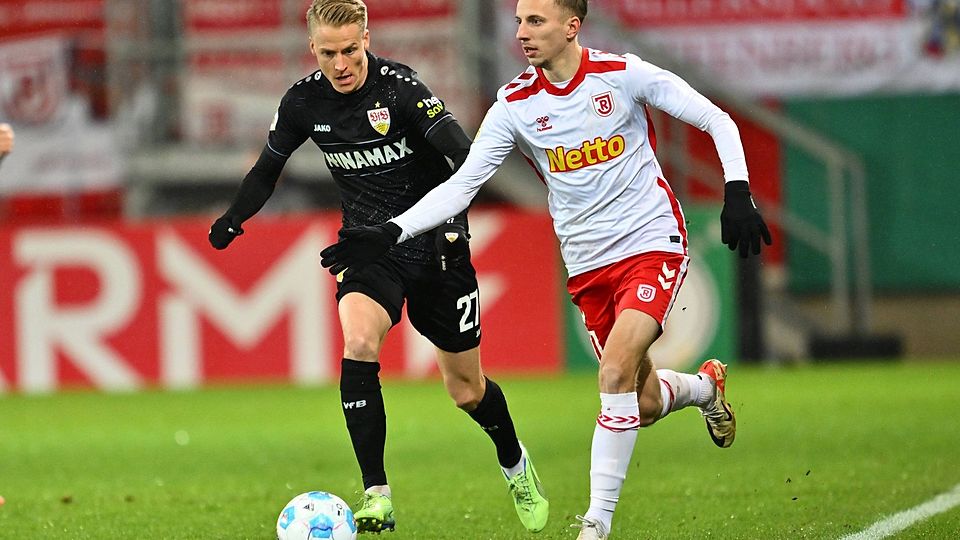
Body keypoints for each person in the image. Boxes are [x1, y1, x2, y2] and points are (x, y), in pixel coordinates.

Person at [319, 0, 772, 538]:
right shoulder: (514, 104)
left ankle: (595, 526)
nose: (522, 33)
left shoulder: (622, 75)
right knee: (642, 403)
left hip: (651, 241)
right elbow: (462, 185)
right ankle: (703, 389)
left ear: (571, 25)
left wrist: (737, 189)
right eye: (518, 22)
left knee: (613, 371)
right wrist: (391, 232)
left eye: (535, 21)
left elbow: (715, 118)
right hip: (586, 264)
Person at [207, 0, 548, 535]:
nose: (340, 64)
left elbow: (464, 155)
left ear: (366, 37)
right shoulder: (302, 101)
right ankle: (377, 496)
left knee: (466, 390)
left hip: (436, 246)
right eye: (328, 53)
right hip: (369, 249)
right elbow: (267, 169)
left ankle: (514, 461)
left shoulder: (401, 90)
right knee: (359, 341)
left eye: (349, 50)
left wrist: (454, 220)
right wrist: (234, 217)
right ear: (312, 48)